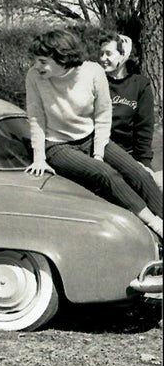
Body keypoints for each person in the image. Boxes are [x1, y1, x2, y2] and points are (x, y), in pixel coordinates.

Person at [25, 29, 162, 236]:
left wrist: (98, 152)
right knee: (106, 174)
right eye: (36, 60)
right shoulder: (35, 77)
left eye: (43, 61)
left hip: (91, 138)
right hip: (58, 145)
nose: (37, 66)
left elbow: (103, 113)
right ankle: (155, 225)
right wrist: (39, 158)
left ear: (62, 58)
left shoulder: (92, 72)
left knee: (139, 173)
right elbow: (36, 117)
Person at [99, 32, 156, 170]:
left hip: (127, 156)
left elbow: (144, 128)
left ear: (123, 54)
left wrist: (145, 163)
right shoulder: (97, 81)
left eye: (108, 53)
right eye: (101, 54)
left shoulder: (140, 85)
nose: (102, 58)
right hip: (98, 154)